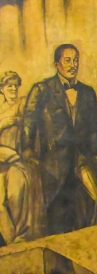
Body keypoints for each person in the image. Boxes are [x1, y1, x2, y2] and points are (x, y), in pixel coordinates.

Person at [20, 44, 97, 234]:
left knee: (93, 202)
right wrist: (27, 148)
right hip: (55, 162)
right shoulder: (42, 89)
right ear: (57, 64)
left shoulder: (88, 93)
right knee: (57, 211)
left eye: (76, 60)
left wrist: (95, 153)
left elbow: (93, 127)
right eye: (67, 60)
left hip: (83, 158)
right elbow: (29, 120)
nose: (73, 65)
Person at [0, 70, 44, 244]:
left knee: (16, 192)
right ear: (1, 89)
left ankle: (22, 235)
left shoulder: (22, 104)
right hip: (2, 157)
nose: (12, 88)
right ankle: (10, 240)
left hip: (18, 159)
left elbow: (29, 125)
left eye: (14, 85)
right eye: (7, 85)